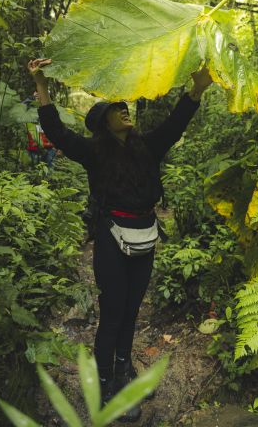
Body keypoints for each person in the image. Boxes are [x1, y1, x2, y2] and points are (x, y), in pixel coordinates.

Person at [27, 57, 213, 422]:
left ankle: (124, 370)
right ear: (102, 122)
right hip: (112, 237)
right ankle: (105, 383)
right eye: (116, 109)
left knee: (131, 309)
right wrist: (42, 86)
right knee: (112, 312)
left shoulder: (147, 147)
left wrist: (197, 89)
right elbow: (58, 133)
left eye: (124, 107)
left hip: (145, 236)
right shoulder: (94, 151)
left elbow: (176, 124)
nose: (124, 111)